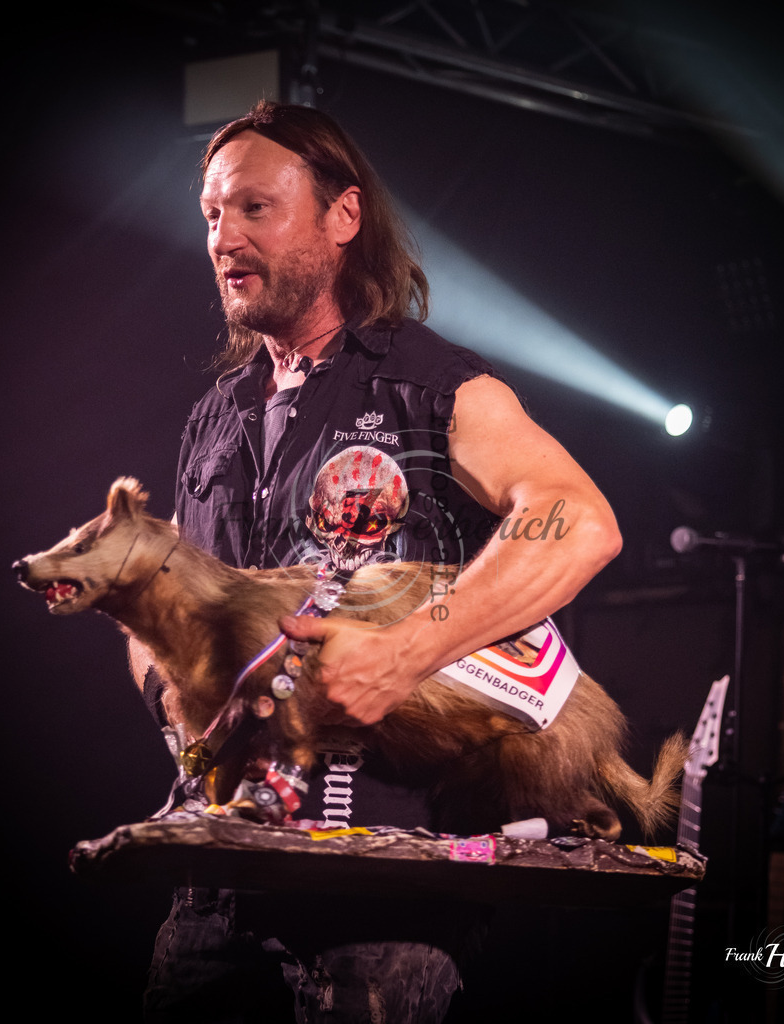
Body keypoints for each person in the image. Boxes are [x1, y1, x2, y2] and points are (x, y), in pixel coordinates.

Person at [134, 100, 621, 1023]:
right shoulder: (213, 418)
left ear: (342, 218)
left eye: (254, 209)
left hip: (382, 881)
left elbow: (579, 517)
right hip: (220, 876)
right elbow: (174, 601)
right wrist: (169, 682)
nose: (223, 238)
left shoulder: (429, 385)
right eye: (210, 215)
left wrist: (402, 653)